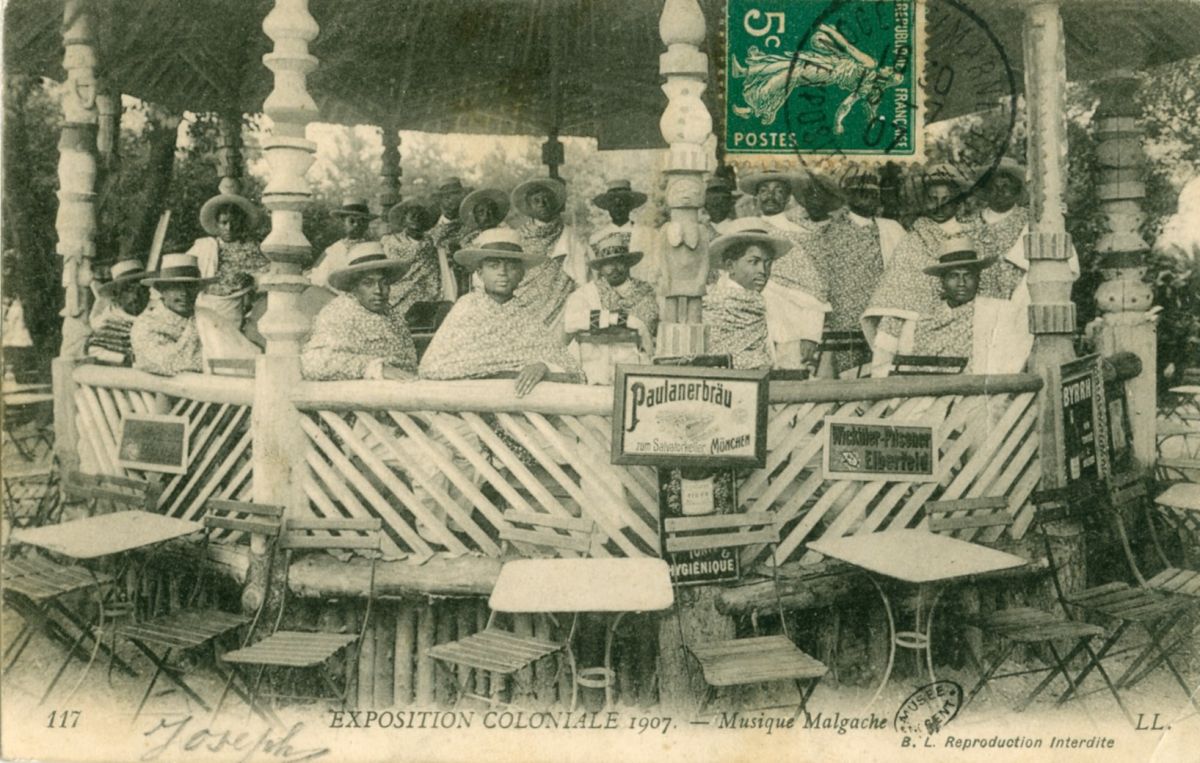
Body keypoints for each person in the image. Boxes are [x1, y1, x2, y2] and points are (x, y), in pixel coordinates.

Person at [420, 227, 581, 396]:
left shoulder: (524, 316)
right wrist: (506, 374)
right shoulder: (467, 308)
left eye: (511, 266)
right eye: (493, 266)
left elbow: (572, 370)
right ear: (480, 273)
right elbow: (433, 367)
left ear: (522, 274)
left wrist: (543, 367)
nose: (502, 272)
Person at [862, 163, 977, 376]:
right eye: (932, 199)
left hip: (964, 319)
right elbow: (895, 295)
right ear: (924, 201)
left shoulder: (974, 235)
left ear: (958, 201)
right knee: (892, 326)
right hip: (917, 320)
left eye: (946, 199)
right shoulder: (913, 240)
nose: (939, 206)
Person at [812, 169, 906, 375]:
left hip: (881, 317)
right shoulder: (829, 230)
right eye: (861, 192)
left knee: (881, 374)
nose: (868, 197)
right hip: (843, 320)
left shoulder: (892, 229)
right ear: (848, 195)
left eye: (873, 193)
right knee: (849, 379)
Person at [740, 170, 831, 370]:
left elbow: (816, 291)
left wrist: (810, 335)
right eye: (764, 191)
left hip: (791, 328)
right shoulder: (744, 233)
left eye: (778, 191)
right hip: (749, 327)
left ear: (788, 198)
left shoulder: (804, 235)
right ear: (756, 198)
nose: (770, 196)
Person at [906, 237, 1032, 375]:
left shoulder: (997, 312)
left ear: (978, 278)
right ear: (943, 281)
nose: (961, 283)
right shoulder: (926, 320)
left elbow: (1013, 359)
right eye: (954, 276)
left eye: (968, 276)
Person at [300, 242, 417, 381]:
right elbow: (314, 362)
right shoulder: (340, 313)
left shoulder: (392, 315)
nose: (378, 290)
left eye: (384, 283)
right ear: (353, 286)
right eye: (368, 283)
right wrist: (374, 368)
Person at [563, 232, 659, 384]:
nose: (614, 268)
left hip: (634, 366)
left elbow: (645, 323)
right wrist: (620, 319)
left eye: (619, 262)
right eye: (608, 264)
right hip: (595, 369)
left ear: (627, 264)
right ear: (600, 268)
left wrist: (600, 320)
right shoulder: (586, 293)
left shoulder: (644, 291)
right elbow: (571, 322)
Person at [702, 219, 791, 370]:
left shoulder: (762, 303)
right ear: (730, 265)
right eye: (753, 262)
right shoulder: (715, 304)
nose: (763, 271)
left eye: (768, 263)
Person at [510, 176, 589, 326]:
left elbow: (581, 279)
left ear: (555, 203)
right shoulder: (517, 236)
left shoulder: (570, 235)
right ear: (529, 206)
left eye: (547, 199)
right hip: (521, 306)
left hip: (559, 310)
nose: (542, 204)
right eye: (536, 200)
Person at [188, 192, 269, 324]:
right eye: (224, 223)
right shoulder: (204, 246)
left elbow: (265, 276)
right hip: (204, 304)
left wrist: (252, 282)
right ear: (217, 224)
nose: (229, 228)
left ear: (241, 223)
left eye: (234, 222)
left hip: (234, 306)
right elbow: (184, 269)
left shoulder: (251, 248)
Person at [131, 253, 216, 376]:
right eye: (175, 287)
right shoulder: (145, 325)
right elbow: (174, 364)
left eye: (190, 286)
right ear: (161, 289)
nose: (184, 293)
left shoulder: (210, 317)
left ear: (198, 289)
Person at [87, 259, 150, 366]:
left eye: (141, 290)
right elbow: (94, 351)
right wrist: (123, 359)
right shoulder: (109, 321)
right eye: (128, 290)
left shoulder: (157, 315)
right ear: (117, 295)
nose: (135, 296)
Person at [381, 199, 440, 312]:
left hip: (428, 291)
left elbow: (433, 269)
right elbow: (390, 271)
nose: (417, 218)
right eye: (412, 215)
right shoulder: (392, 242)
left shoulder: (429, 242)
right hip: (399, 292)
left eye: (420, 215)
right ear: (404, 219)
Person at [307, 197, 376, 290]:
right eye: (352, 221)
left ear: (367, 225)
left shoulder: (371, 249)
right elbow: (316, 277)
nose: (356, 225)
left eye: (362, 221)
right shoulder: (333, 250)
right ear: (343, 222)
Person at [428, 177, 472, 299]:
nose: (450, 199)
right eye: (445, 196)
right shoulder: (433, 231)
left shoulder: (471, 225)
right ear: (440, 200)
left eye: (455, 194)